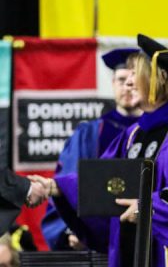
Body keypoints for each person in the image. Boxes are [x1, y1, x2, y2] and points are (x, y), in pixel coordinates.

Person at [33, 35, 168, 267]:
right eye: (126, 75)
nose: (128, 82)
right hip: (132, 253)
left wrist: (149, 208)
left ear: (158, 78)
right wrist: (56, 186)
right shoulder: (133, 134)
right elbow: (104, 182)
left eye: (134, 73)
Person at [42, 47, 143, 250]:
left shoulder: (155, 131)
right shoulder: (89, 133)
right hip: (94, 239)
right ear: (113, 84)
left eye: (132, 79)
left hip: (143, 234)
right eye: (121, 80)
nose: (127, 86)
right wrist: (71, 229)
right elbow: (68, 180)